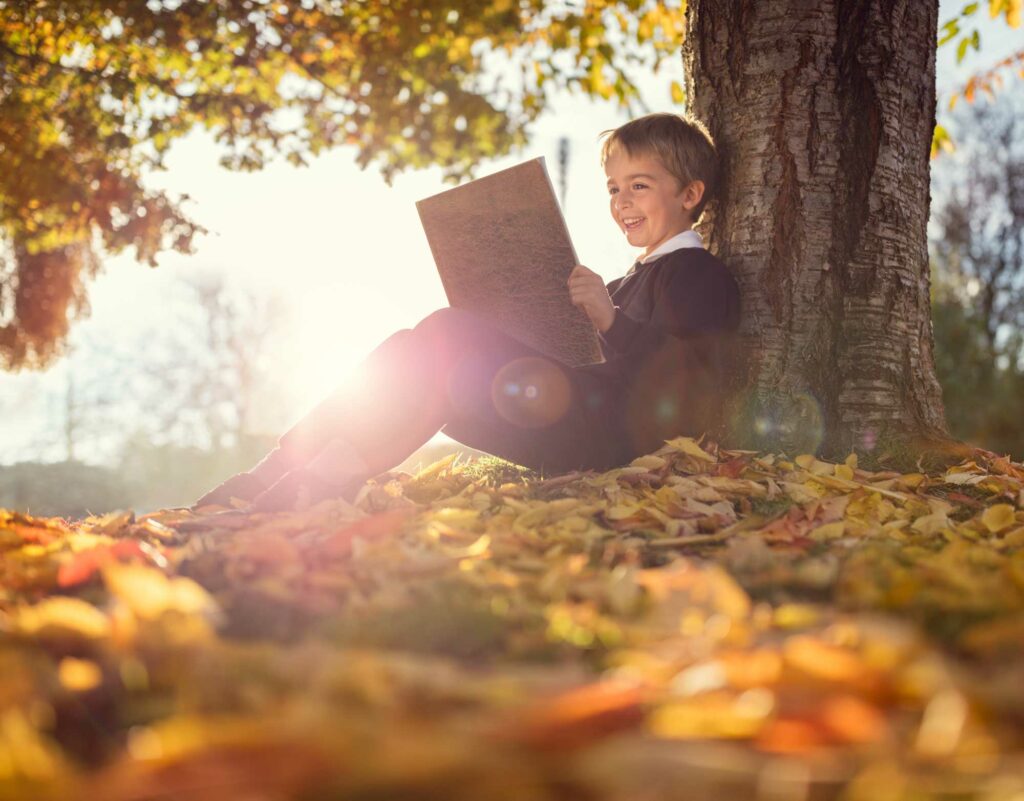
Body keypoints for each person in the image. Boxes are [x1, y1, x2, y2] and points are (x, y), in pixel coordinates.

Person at [194, 112, 741, 512]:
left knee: (444, 334)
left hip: (615, 440)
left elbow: (688, 386)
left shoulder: (699, 274)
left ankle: (302, 489)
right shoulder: (625, 280)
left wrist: (609, 321)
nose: (622, 202)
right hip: (570, 418)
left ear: (690, 193)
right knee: (416, 348)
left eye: (638, 187)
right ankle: (278, 476)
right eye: (614, 188)